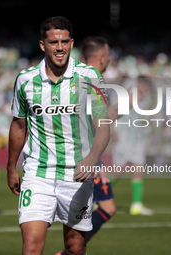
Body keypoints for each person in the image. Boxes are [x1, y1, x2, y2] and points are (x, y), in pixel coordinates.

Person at [7, 16, 110, 255]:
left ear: (72, 43)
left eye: (65, 41)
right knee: (31, 247)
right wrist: (12, 167)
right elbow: (18, 126)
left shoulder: (90, 76)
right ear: (43, 45)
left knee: (75, 247)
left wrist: (92, 157)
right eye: (54, 42)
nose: (60, 47)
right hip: (37, 173)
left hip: (76, 175)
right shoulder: (25, 80)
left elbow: (103, 125)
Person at [56, 36, 116, 255]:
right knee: (102, 209)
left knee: (100, 209)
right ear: (101, 57)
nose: (109, 59)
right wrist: (120, 109)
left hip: (80, 154)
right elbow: (98, 122)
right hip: (87, 156)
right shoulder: (93, 78)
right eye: (109, 56)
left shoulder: (71, 76)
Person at [110, 77, 153, 215]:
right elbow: (112, 112)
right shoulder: (125, 93)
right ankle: (95, 197)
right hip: (124, 139)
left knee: (138, 169)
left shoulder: (144, 98)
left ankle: (136, 205)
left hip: (136, 139)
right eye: (145, 85)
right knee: (116, 173)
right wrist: (114, 130)